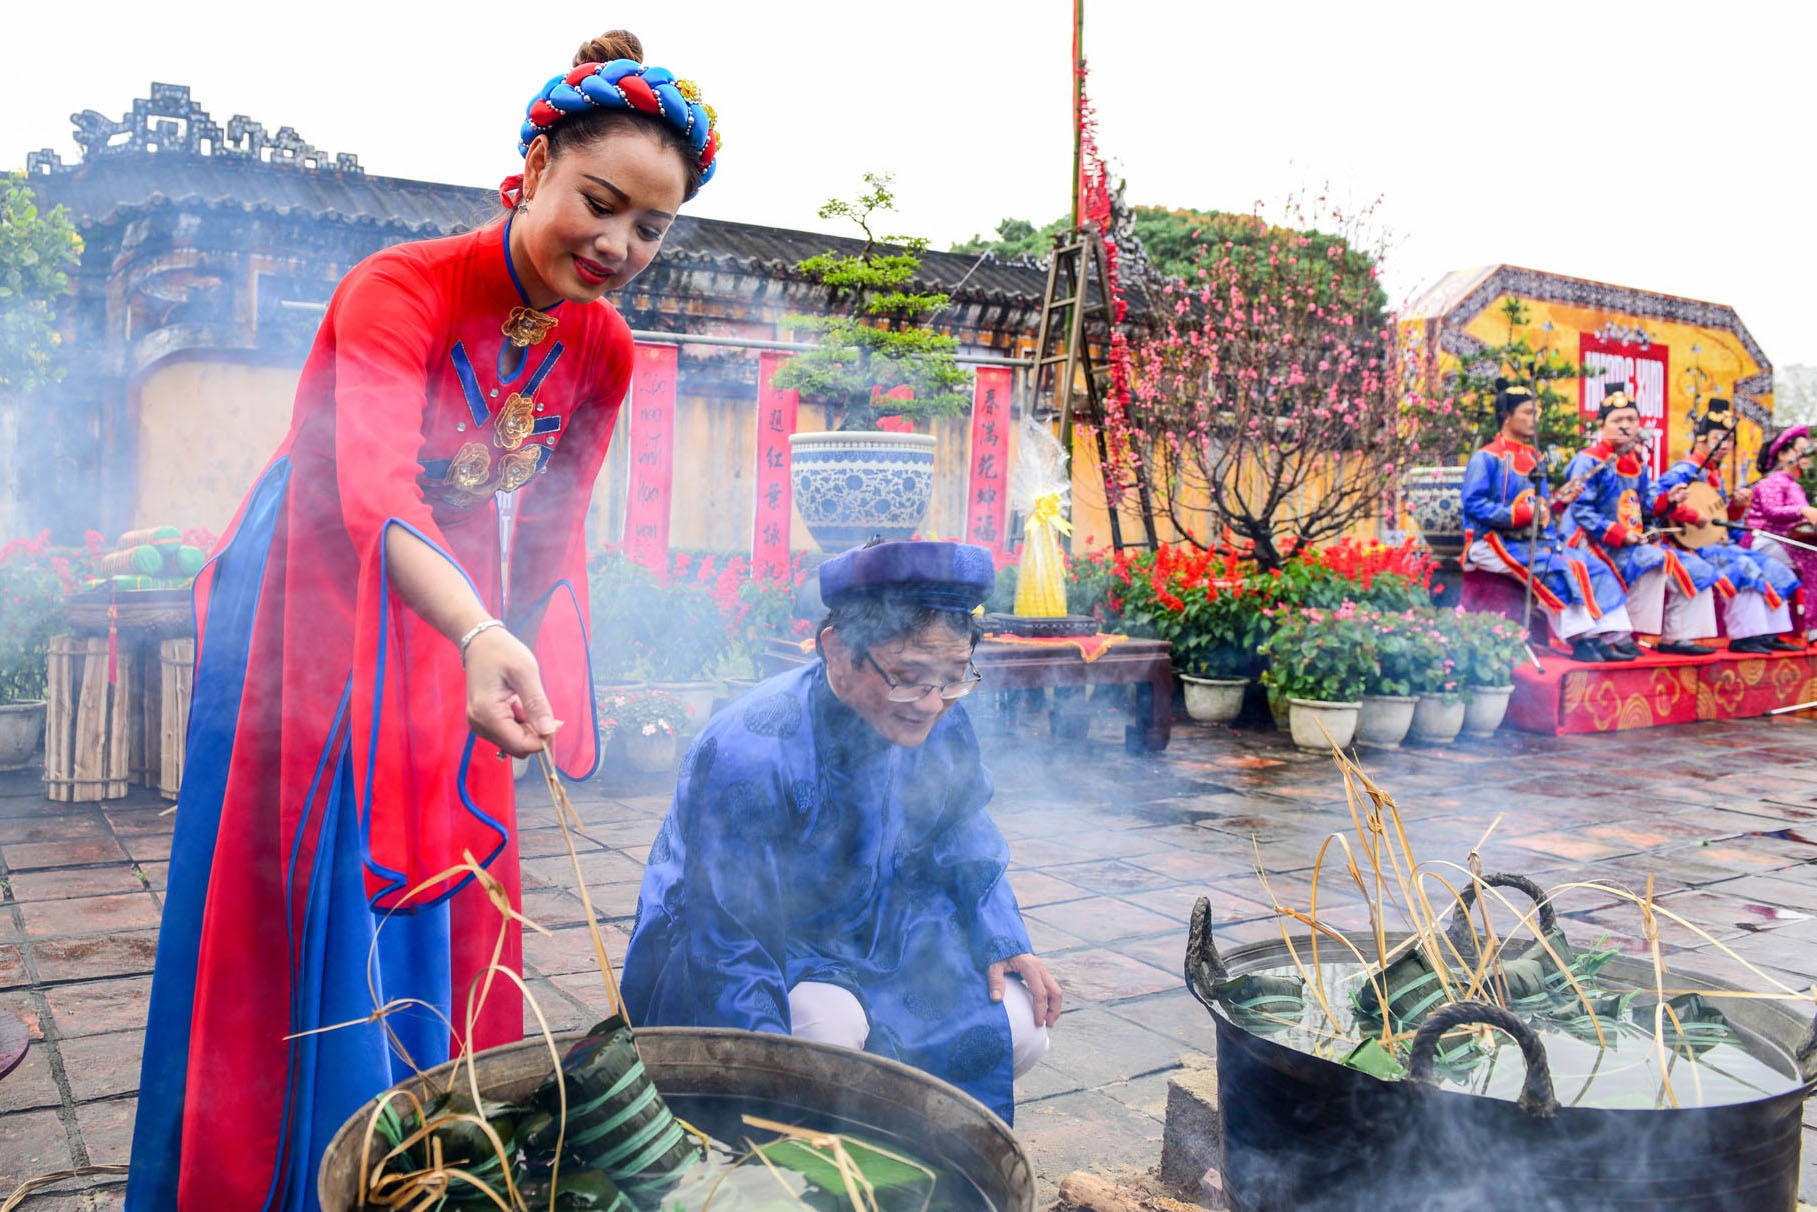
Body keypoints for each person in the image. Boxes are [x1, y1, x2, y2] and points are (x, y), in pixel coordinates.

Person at [127, 30, 721, 1210]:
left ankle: (422, 1158)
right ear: (535, 165)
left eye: (648, 229)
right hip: (310, 595)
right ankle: (279, 1173)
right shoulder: (397, 289)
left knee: (450, 863)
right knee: (315, 877)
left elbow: (552, 528)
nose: (615, 246)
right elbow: (372, 494)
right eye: (598, 203)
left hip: (456, 611)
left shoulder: (598, 344)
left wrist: (539, 665)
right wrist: (475, 631)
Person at [621, 540, 1062, 1125]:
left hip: (883, 931)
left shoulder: (942, 719)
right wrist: (761, 1080)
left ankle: (903, 1148)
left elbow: (964, 829)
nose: (932, 705)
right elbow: (729, 938)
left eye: (954, 679)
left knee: (1020, 1023)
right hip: (761, 943)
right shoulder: (752, 750)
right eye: (909, 678)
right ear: (837, 650)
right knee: (822, 1041)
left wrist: (1005, 938)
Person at [1461, 381, 1637, 663]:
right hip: (1493, 542)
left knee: (1589, 564)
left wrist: (1560, 502)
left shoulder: (1534, 458)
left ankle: (1607, 635)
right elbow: (1473, 504)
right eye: (1528, 412)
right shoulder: (1487, 457)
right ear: (1507, 416)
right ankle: (1579, 640)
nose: (1535, 419)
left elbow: (1541, 509)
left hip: (1533, 541)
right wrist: (1516, 516)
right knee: (1559, 567)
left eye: (1536, 412)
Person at [1561, 384, 1723, 657]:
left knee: (1688, 565)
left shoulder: (1638, 463)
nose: (1625, 426)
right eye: (1617, 420)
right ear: (1602, 425)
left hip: (1628, 539)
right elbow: (1581, 511)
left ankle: (1672, 635)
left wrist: (1670, 499)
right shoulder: (1588, 460)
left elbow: (1648, 506)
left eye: (1631, 420)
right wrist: (1619, 534)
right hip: (1589, 538)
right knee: (1649, 558)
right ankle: (1620, 636)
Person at [1653, 399, 1801, 653]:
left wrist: (1738, 507)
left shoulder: (1716, 475)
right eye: (1718, 437)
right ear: (1701, 439)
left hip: (1717, 541)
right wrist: (1689, 514)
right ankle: (1745, 634)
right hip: (1691, 545)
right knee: (1742, 565)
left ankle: (1768, 632)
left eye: (1729, 440)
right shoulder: (1684, 470)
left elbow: (1720, 519)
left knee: (1772, 566)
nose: (1725, 445)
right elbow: (1658, 503)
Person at [1743, 424, 1817, 640]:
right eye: (1800, 450)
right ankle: (1812, 628)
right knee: (1812, 558)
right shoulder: (1772, 480)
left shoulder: (1792, 483)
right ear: (1783, 454)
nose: (1806, 457)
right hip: (1763, 538)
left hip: (1785, 540)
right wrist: (1803, 510)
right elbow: (1771, 512)